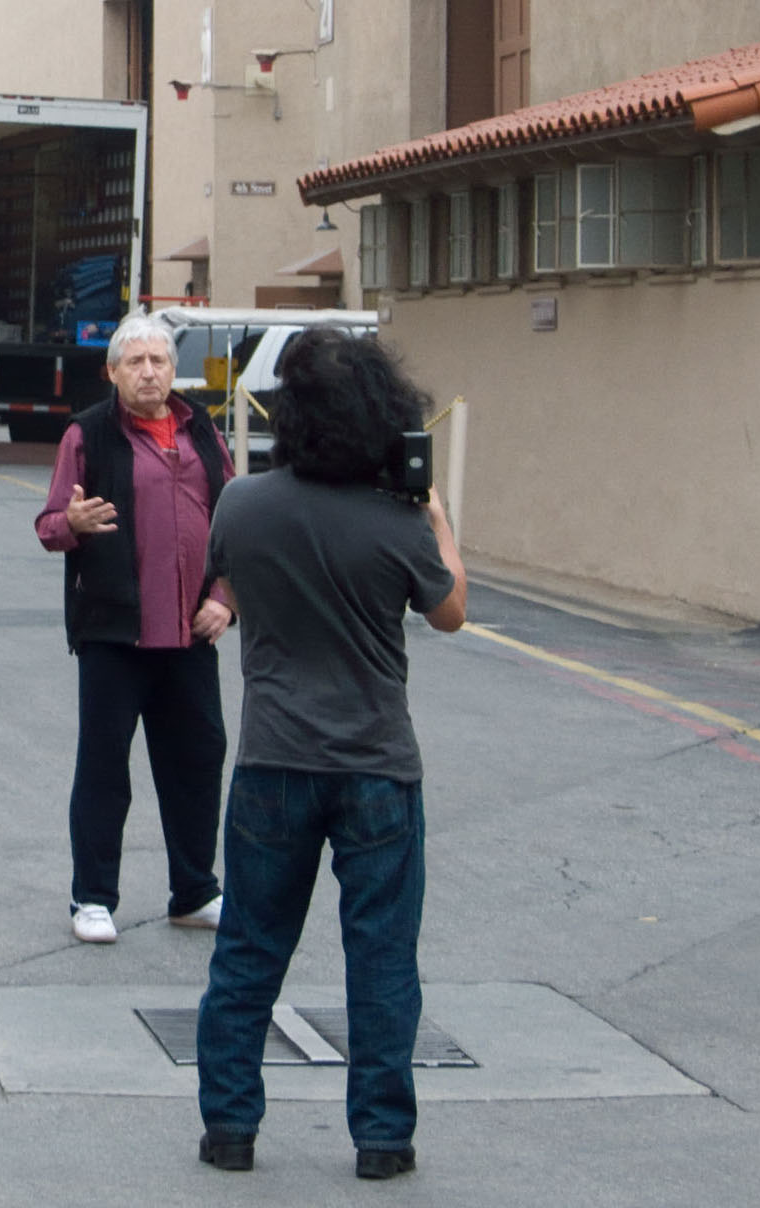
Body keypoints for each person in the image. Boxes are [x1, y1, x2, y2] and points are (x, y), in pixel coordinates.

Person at [192, 327, 466, 1180]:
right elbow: (451, 611)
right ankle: (382, 1140)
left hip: (274, 759)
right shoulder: (396, 521)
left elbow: (226, 583)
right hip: (378, 765)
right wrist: (437, 518)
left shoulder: (243, 504)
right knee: (381, 957)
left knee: (248, 948)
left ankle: (230, 1130)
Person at [35, 310, 235, 945]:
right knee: (104, 768)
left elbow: (237, 522)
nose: (149, 372)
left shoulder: (202, 430)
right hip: (114, 634)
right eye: (136, 362)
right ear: (113, 371)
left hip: (192, 632)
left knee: (198, 760)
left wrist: (226, 599)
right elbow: (47, 526)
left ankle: (196, 890)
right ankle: (92, 897)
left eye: (160, 361)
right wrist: (75, 524)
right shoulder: (87, 435)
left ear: (174, 370)